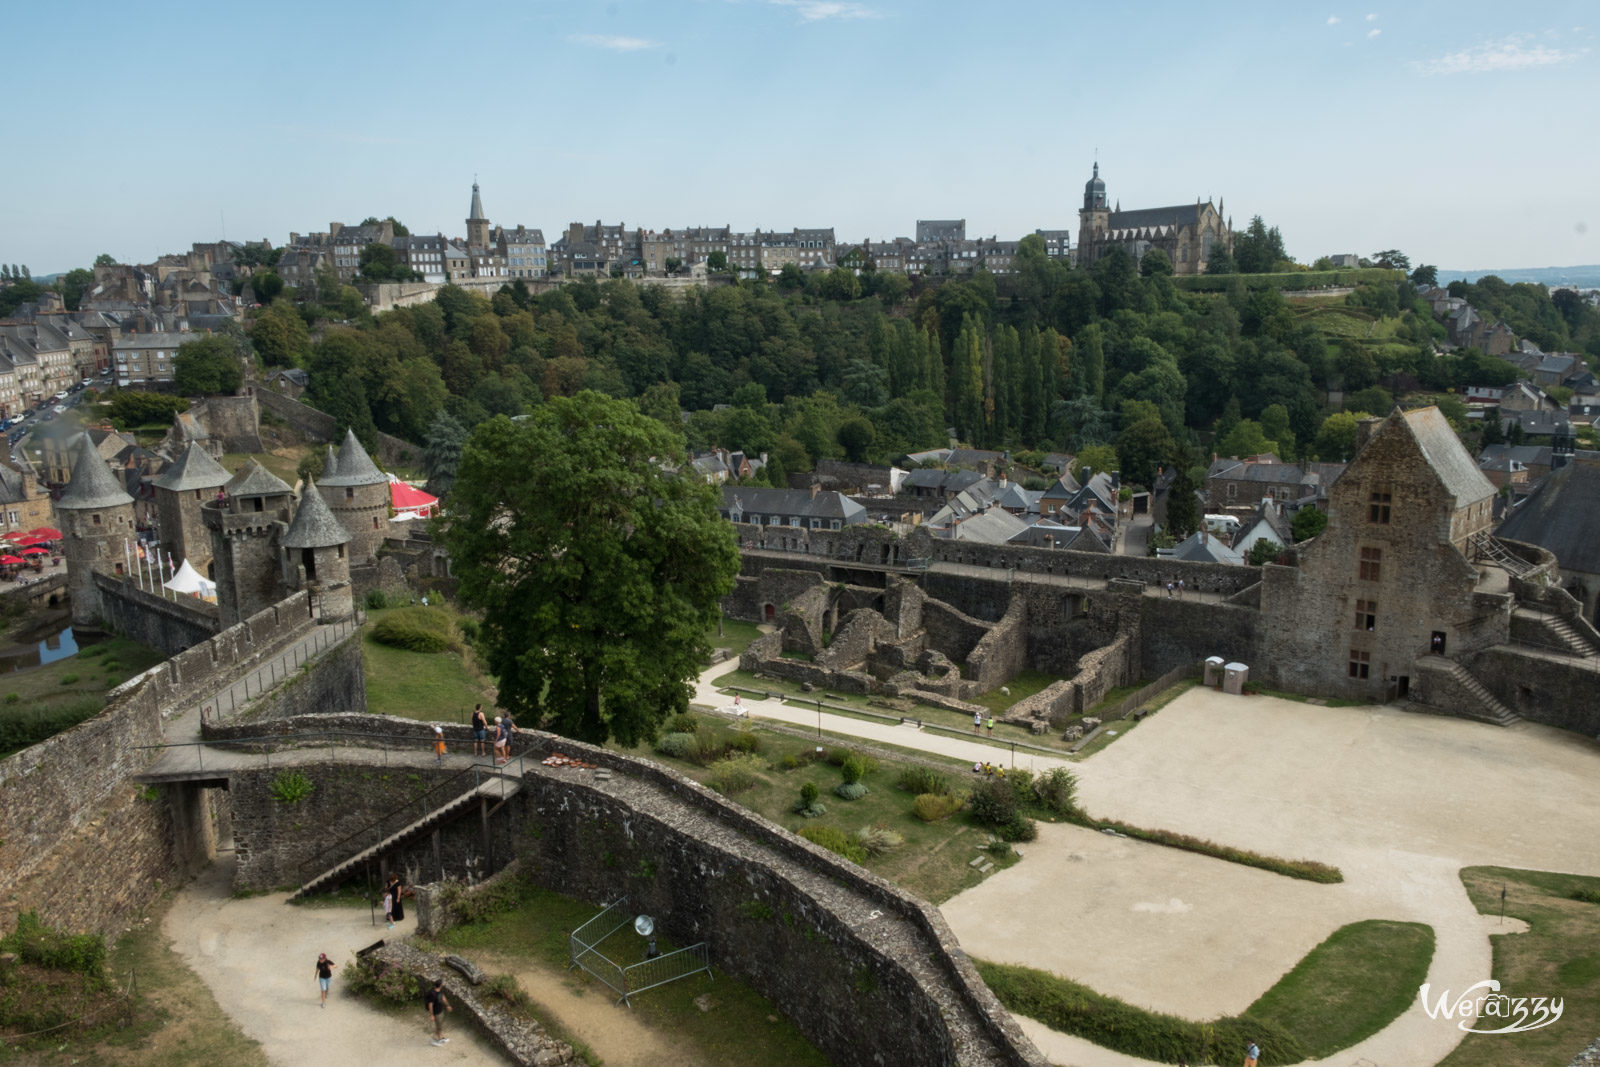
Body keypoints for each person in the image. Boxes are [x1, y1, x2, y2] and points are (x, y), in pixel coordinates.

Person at [424, 978, 452, 1045]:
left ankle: (441, 1038)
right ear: (441, 985)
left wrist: (448, 1006)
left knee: (440, 1026)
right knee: (439, 1027)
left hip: (440, 1011)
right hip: (436, 1013)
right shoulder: (433, 994)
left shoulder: (440, 991)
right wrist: (432, 1015)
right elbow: (430, 1005)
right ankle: (434, 1039)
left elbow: (443, 998)